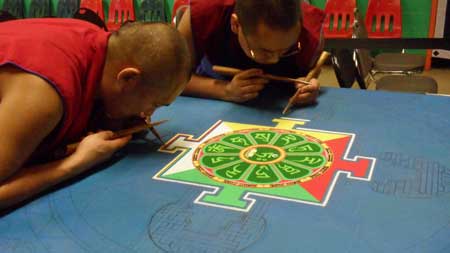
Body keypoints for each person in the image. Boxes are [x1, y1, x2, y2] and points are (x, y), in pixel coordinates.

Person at [0, 18, 192, 210]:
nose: (148, 113)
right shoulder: (43, 96)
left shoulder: (99, 44)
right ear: (128, 78)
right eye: (154, 104)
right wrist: (75, 163)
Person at [177, 0, 325, 104]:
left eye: (286, 50)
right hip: (215, 78)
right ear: (235, 24)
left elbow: (308, 76)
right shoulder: (206, 13)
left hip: (276, 98)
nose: (274, 60)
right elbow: (173, 79)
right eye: (264, 51)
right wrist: (226, 91)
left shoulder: (310, 32)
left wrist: (307, 87)